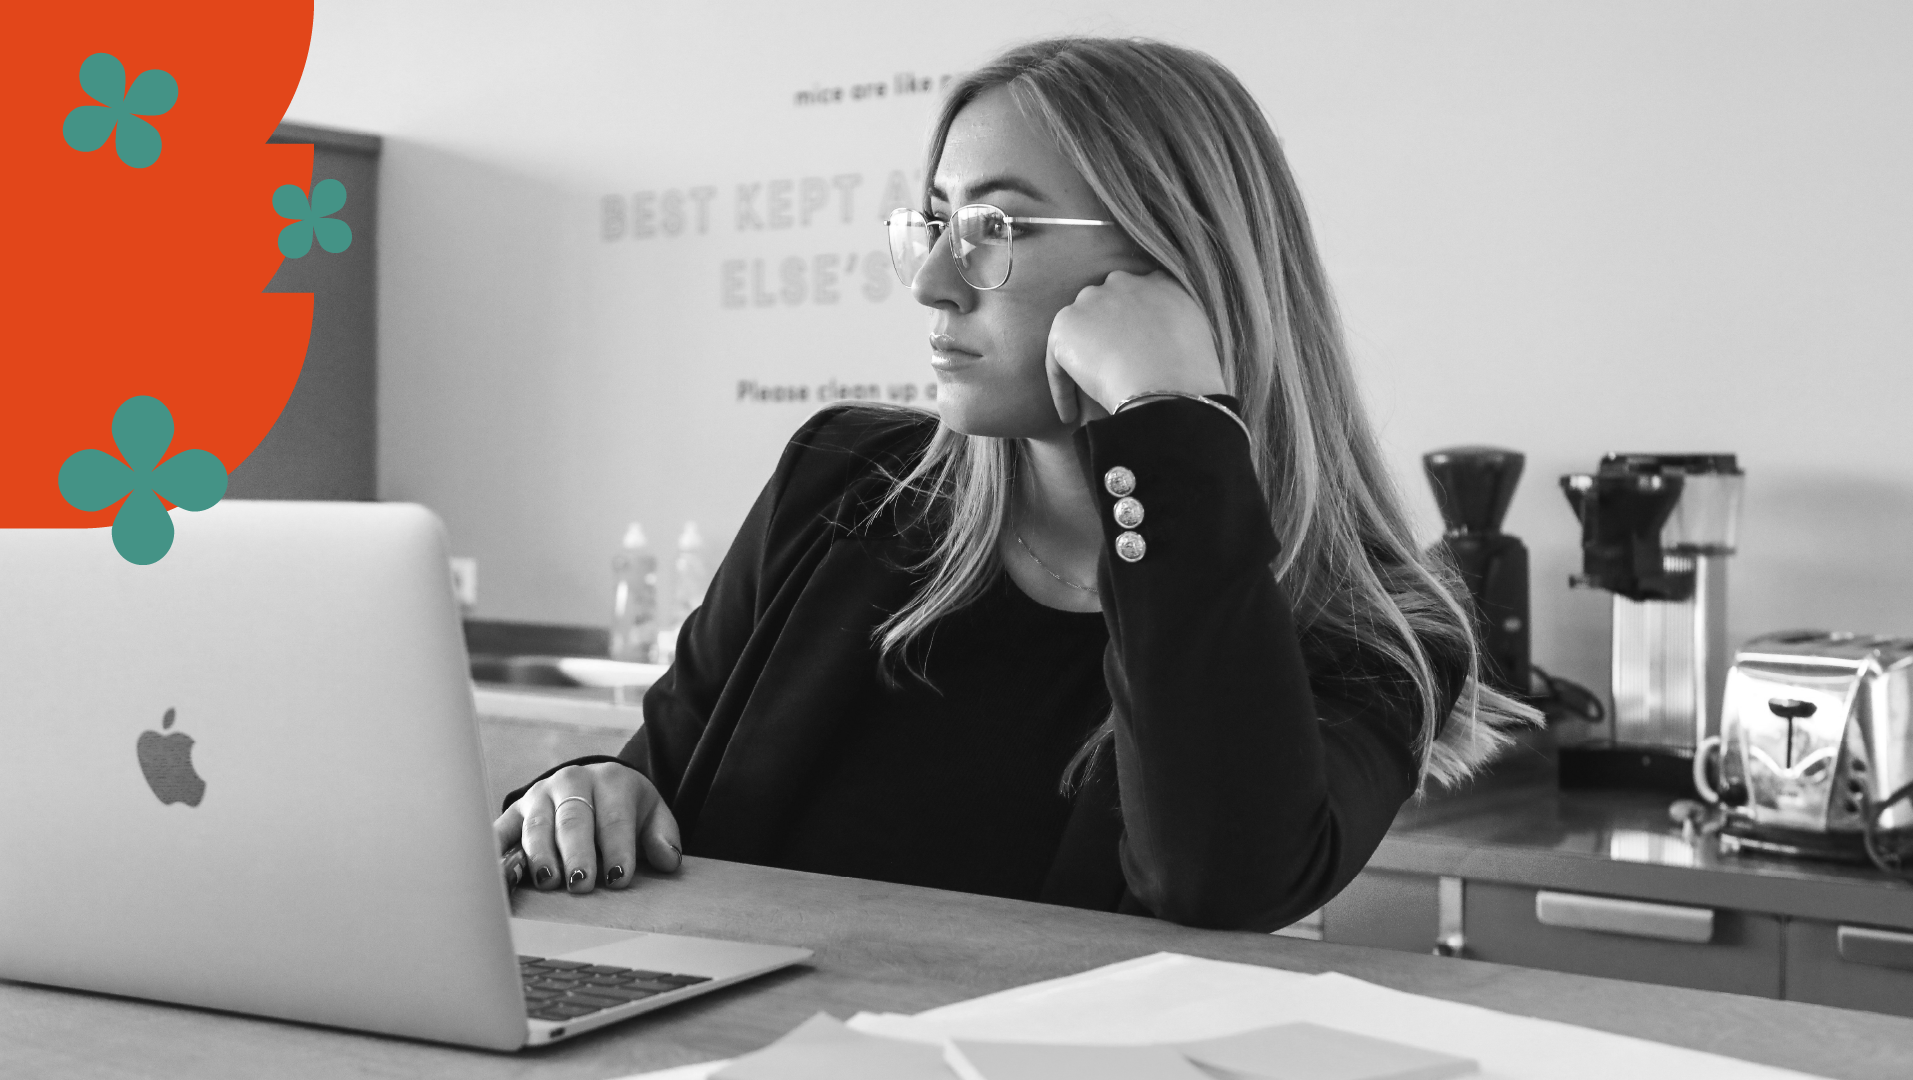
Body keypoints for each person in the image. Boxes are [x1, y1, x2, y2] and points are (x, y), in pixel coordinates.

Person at [494, 36, 1535, 931]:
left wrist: (1171, 423)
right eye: (935, 220)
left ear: (1171, 263)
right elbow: (656, 782)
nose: (933, 280)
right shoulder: (844, 483)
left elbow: (1222, 883)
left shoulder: (1373, 629)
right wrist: (595, 792)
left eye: (996, 229)